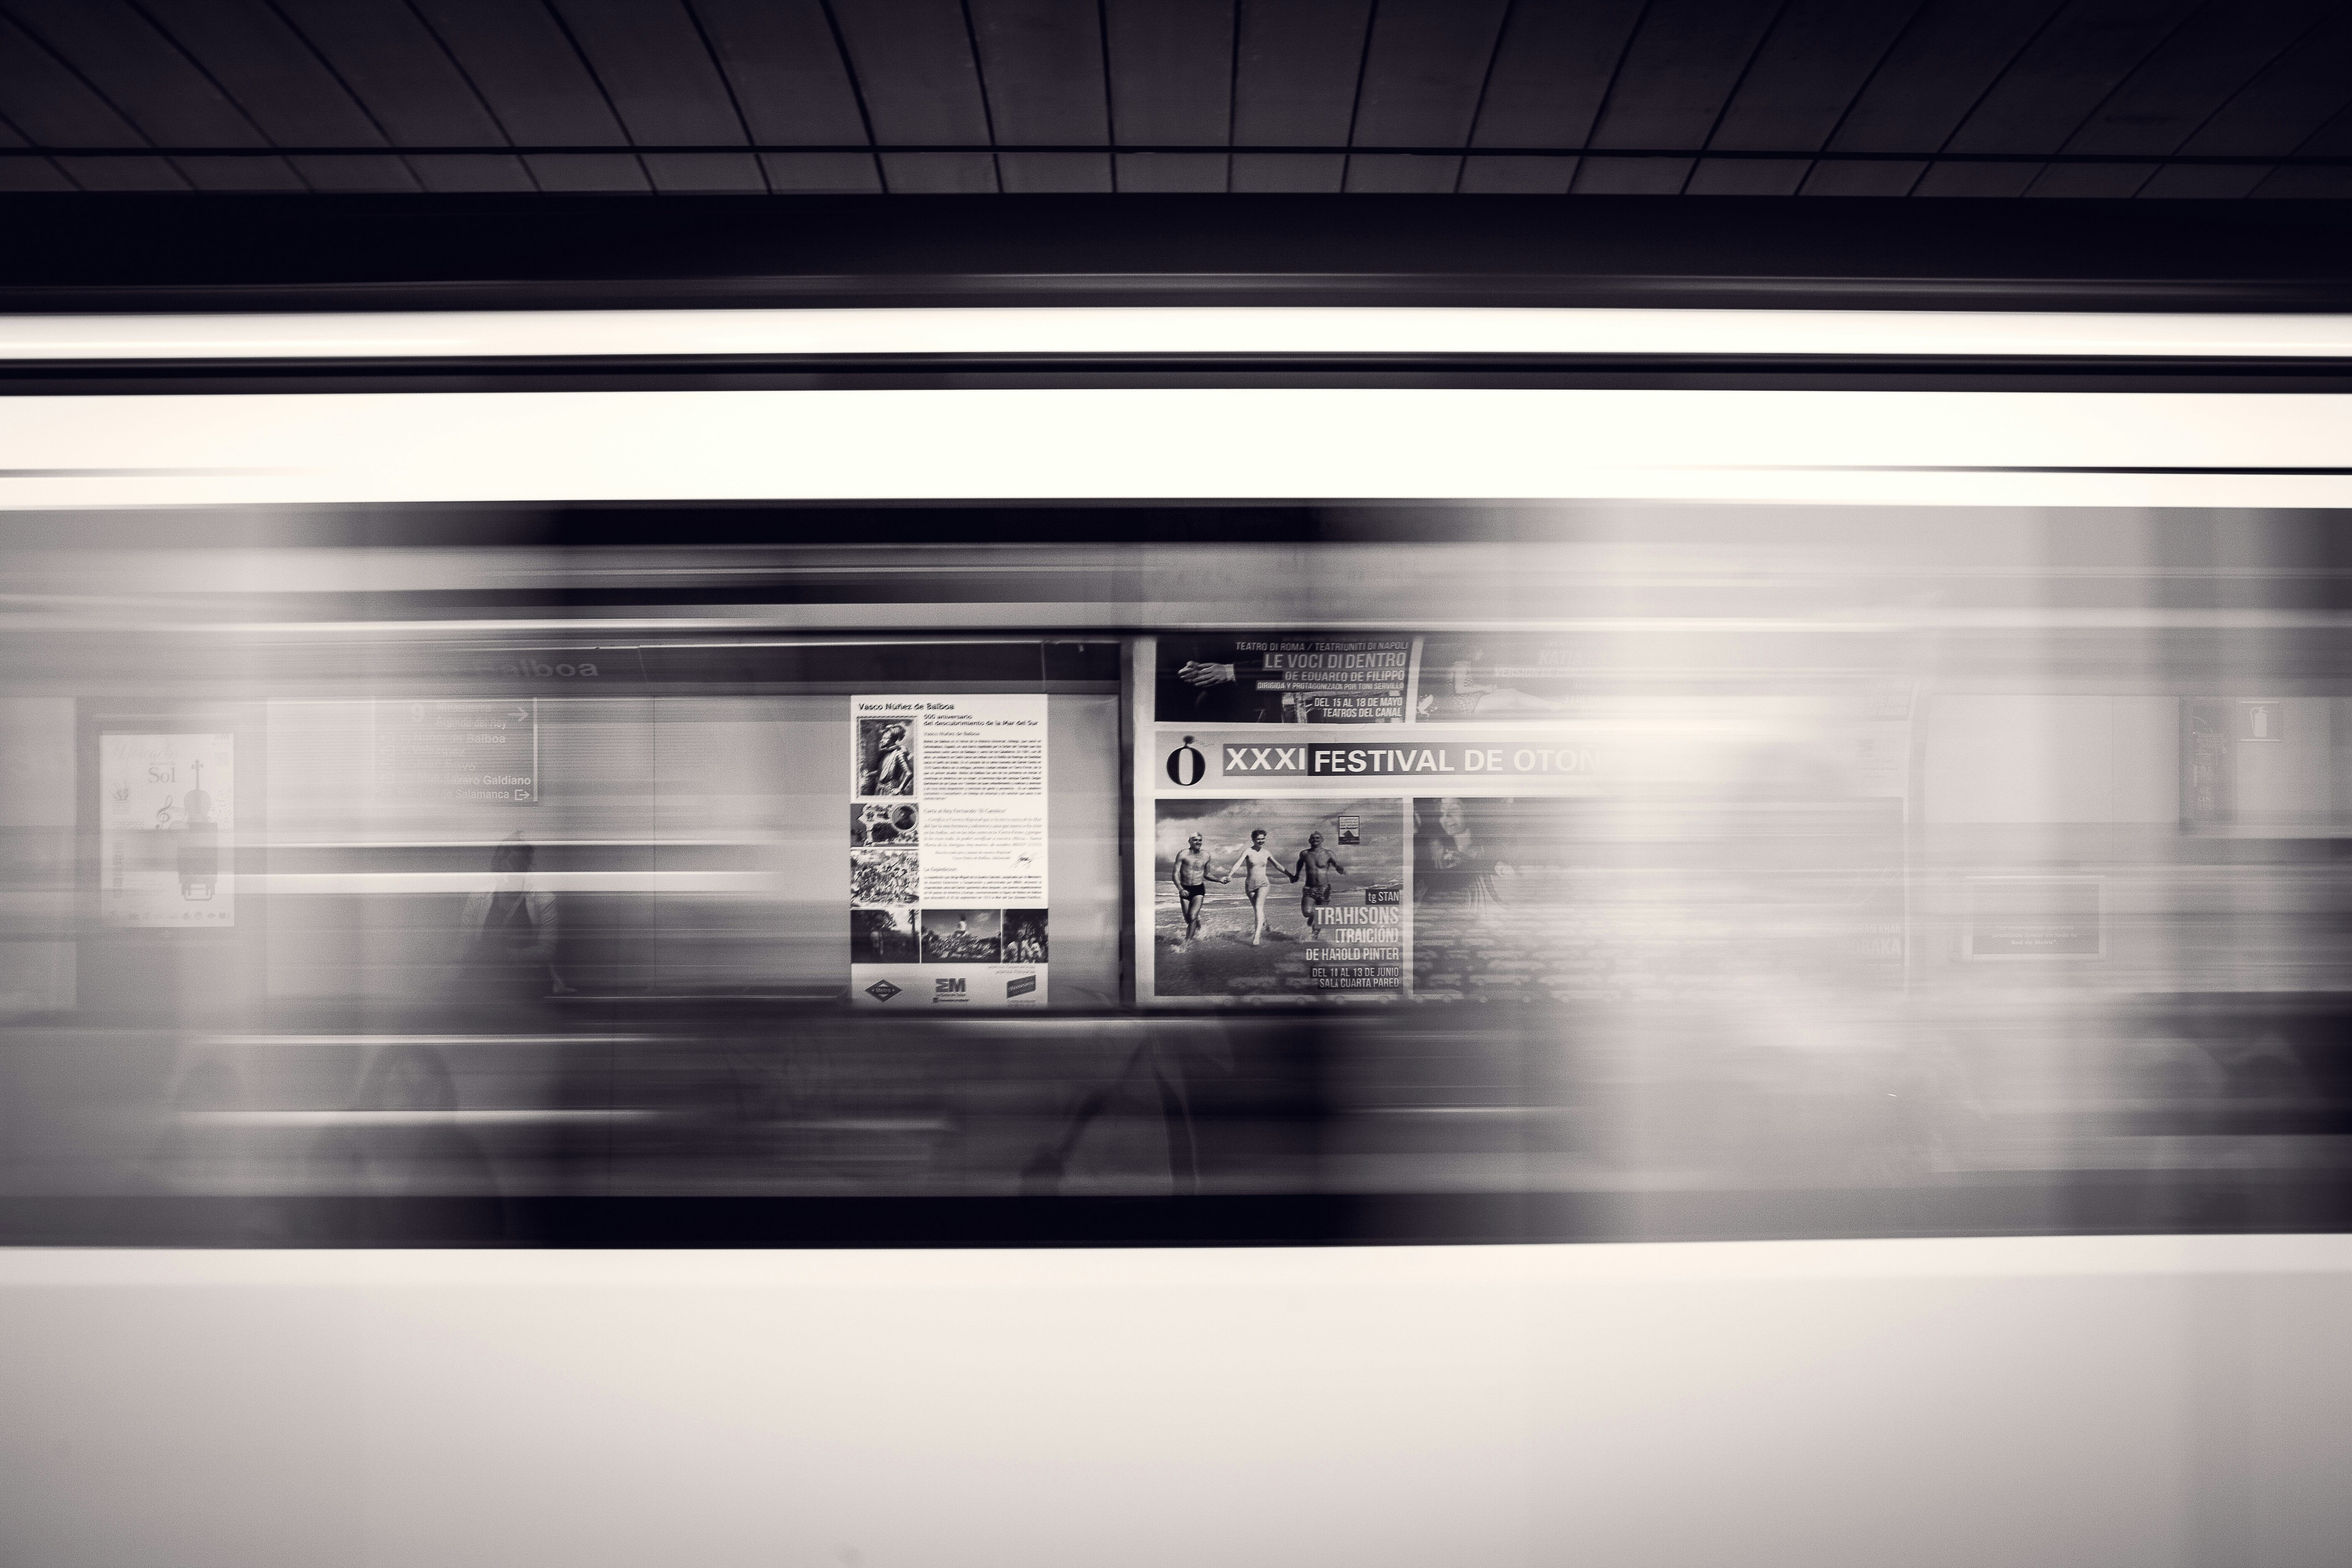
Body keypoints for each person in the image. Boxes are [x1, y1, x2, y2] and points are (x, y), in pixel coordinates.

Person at [455, 833, 565, 1006]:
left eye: (518, 862)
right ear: (498, 864)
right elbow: (464, 942)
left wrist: (503, 956)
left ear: (527, 866)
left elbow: (547, 950)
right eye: (506, 861)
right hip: (484, 978)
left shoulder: (543, 898)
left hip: (526, 979)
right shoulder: (478, 897)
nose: (510, 869)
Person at [1416, 644, 1564, 718]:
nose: (1481, 654)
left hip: (1469, 702)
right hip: (1466, 705)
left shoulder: (1460, 665)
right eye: (1480, 651)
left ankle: (1548, 710)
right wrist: (1483, 689)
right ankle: (1552, 707)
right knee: (1513, 696)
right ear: (1472, 652)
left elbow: (1465, 686)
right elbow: (1459, 690)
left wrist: (1486, 688)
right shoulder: (1462, 665)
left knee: (1511, 704)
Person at [1226, 828, 1295, 946]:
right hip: (1250, 885)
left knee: (1258, 907)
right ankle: (1265, 923)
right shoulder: (1248, 851)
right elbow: (1238, 863)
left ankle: (1256, 936)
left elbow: (1277, 865)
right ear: (1253, 840)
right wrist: (1230, 874)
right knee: (1258, 910)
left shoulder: (1266, 853)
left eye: (1263, 839)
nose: (1261, 841)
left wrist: (1289, 875)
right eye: (1259, 839)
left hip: (1263, 883)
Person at [1170, 831, 1226, 946]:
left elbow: (1207, 874)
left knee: (1192, 917)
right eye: (1195, 840)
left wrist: (1220, 880)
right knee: (1188, 920)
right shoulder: (1183, 854)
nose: (1198, 842)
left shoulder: (1206, 855)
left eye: (1200, 840)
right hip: (1185, 889)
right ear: (1190, 841)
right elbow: (1175, 874)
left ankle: (1186, 945)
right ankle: (1198, 923)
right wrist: (1180, 889)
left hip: (1199, 889)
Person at [1292, 830, 1349, 939]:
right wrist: (1297, 875)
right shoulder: (1305, 854)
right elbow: (1299, 864)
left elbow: (1336, 864)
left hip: (1324, 889)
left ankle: (1313, 939)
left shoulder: (1328, 853)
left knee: (1321, 919)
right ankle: (1314, 915)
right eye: (1313, 838)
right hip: (1310, 888)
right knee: (1307, 912)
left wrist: (1341, 869)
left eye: (1318, 838)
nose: (1315, 840)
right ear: (1310, 841)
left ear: (1322, 840)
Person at [865, 724, 914, 796]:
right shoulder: (886, 753)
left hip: (890, 790)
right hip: (880, 789)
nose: (882, 741)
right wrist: (869, 774)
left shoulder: (899, 753)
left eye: (885, 738)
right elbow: (881, 772)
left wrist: (900, 789)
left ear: (891, 740)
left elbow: (909, 773)